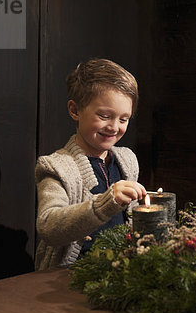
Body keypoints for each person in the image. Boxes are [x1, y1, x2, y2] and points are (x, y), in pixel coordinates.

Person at [35, 58, 146, 270]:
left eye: (124, 119)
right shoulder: (57, 166)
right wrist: (104, 203)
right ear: (75, 110)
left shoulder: (128, 160)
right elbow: (48, 225)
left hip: (120, 271)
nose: (114, 127)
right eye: (104, 116)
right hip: (69, 276)